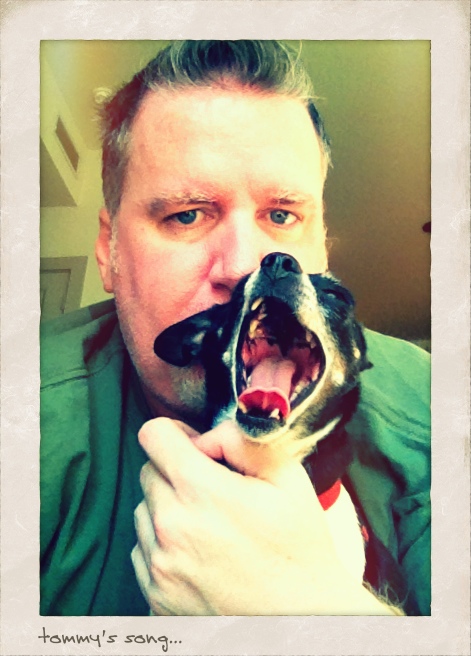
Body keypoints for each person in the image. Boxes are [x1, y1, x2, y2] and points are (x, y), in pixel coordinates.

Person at [40, 40, 430, 616]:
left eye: (282, 215)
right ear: (109, 250)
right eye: (187, 214)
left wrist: (314, 617)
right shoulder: (28, 421)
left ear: (322, 247)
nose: (249, 268)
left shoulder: (433, 401)